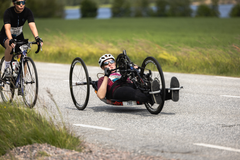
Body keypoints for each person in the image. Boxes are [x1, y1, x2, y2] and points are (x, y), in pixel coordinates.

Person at [0, 0, 43, 77]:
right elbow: (7, 29)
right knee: (10, 46)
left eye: (23, 2)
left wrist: (37, 38)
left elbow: (32, 25)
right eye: (19, 3)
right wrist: (10, 39)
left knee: (23, 54)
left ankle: (21, 80)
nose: (21, 5)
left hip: (18, 35)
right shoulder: (8, 12)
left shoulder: (27, 11)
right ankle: (6, 69)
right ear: (13, 3)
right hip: (6, 35)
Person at [97, 54, 162, 104]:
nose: (109, 64)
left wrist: (136, 72)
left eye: (111, 61)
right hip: (118, 89)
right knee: (135, 93)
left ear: (115, 63)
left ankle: (169, 93)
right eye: (106, 63)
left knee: (145, 89)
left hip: (130, 84)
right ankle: (150, 98)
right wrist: (106, 75)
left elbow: (136, 81)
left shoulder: (122, 73)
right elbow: (101, 96)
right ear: (103, 67)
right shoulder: (102, 79)